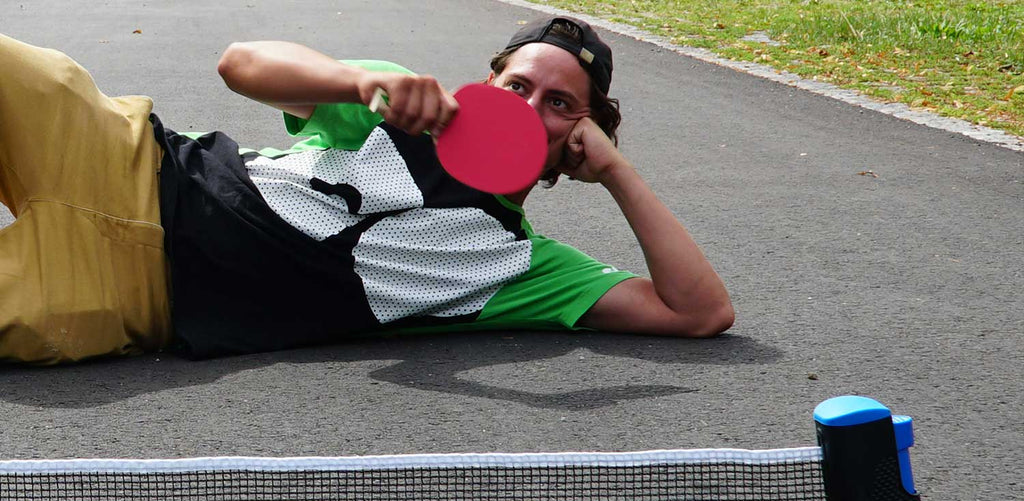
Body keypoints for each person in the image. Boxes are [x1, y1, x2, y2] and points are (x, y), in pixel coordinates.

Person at [0, 17, 733, 364]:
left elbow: (699, 311)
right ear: (487, 88)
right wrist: (356, 79)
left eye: (560, 104)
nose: (530, 105)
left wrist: (618, 173)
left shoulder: (523, 269)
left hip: (126, 292)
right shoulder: (397, 103)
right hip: (128, 158)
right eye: (518, 84)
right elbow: (239, 64)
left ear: (574, 145)